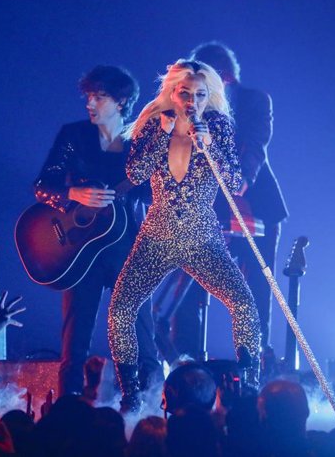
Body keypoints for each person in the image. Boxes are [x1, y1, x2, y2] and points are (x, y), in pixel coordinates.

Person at [108, 60, 261, 411]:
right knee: (120, 308)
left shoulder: (218, 126)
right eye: (185, 93)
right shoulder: (153, 124)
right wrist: (163, 133)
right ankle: (131, 396)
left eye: (201, 94)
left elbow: (235, 184)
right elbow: (134, 174)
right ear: (172, 92)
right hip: (158, 234)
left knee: (244, 306)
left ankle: (247, 388)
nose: (193, 101)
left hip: (201, 236)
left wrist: (212, 148)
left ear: (210, 96)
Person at [33, 65, 161, 397]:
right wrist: (73, 194)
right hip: (79, 251)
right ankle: (68, 413)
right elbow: (42, 186)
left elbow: (156, 193)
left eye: (99, 97)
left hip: (127, 248)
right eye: (88, 96)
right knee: (74, 343)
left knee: (139, 335)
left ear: (121, 102)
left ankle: (143, 408)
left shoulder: (142, 142)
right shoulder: (73, 136)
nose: (90, 103)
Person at [191, 42, 288, 350]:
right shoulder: (193, 104)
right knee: (191, 285)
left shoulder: (255, 100)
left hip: (256, 203)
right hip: (207, 204)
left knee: (257, 287)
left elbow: (256, 143)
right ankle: (188, 361)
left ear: (226, 77)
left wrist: (243, 177)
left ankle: (255, 359)